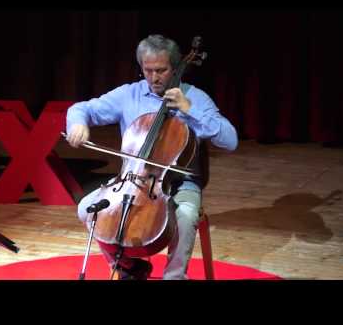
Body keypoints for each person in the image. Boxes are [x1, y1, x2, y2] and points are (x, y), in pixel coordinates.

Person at [66, 34, 238, 280]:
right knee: (87, 210)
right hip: (132, 180)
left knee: (186, 215)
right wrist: (77, 124)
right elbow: (82, 109)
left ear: (176, 67)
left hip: (180, 182)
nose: (154, 78)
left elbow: (230, 140)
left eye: (161, 70)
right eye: (148, 71)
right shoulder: (129, 94)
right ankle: (129, 268)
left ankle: (174, 276)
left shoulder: (195, 97)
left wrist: (188, 109)